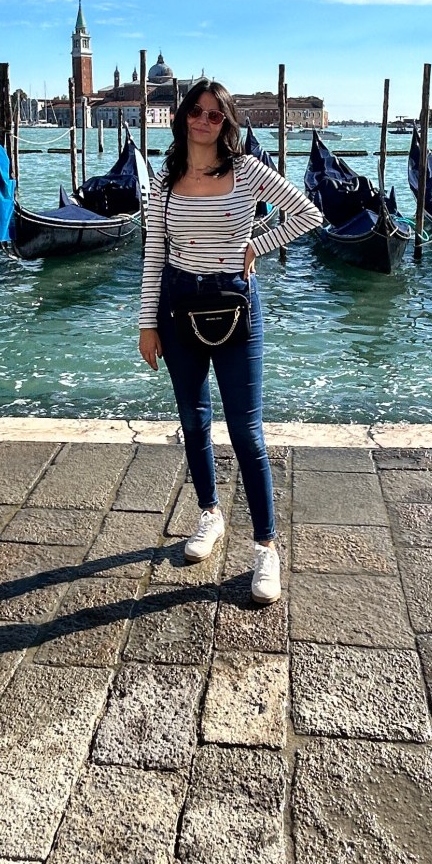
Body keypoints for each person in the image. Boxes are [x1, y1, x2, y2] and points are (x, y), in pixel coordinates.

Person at [138, 79, 321, 603]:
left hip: (236, 304)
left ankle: (265, 547)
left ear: (227, 123)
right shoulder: (163, 182)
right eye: (196, 111)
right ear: (182, 117)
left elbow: (310, 213)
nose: (203, 121)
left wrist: (256, 245)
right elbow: (154, 253)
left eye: (214, 114)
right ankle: (210, 514)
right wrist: (146, 323)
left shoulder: (246, 171)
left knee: (246, 431)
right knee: (193, 420)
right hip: (177, 303)